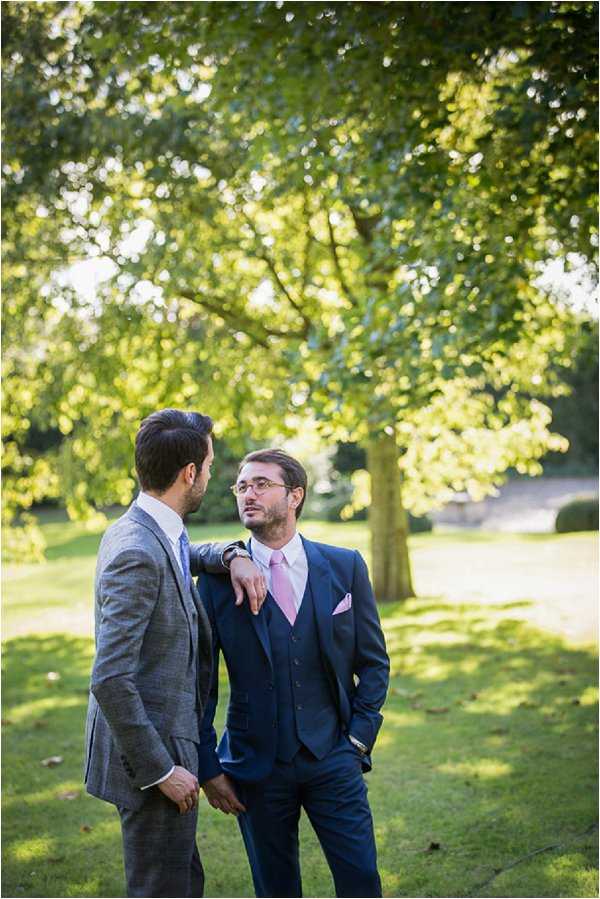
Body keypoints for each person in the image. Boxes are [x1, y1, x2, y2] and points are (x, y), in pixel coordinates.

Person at [84, 409, 267, 898]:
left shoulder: (151, 527)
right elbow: (110, 679)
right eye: (208, 466)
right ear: (189, 472)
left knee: (184, 880)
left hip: (168, 750)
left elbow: (182, 553)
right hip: (152, 761)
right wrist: (161, 771)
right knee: (163, 888)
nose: (210, 474)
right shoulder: (136, 551)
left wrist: (231, 555)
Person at [197, 448, 390, 898]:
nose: (249, 493)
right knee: (276, 889)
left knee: (362, 879)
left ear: (295, 495)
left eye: (262, 484)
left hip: (334, 757)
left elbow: (374, 663)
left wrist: (359, 738)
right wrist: (208, 766)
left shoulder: (344, 567)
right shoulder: (217, 581)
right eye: (242, 485)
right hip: (256, 767)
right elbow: (200, 687)